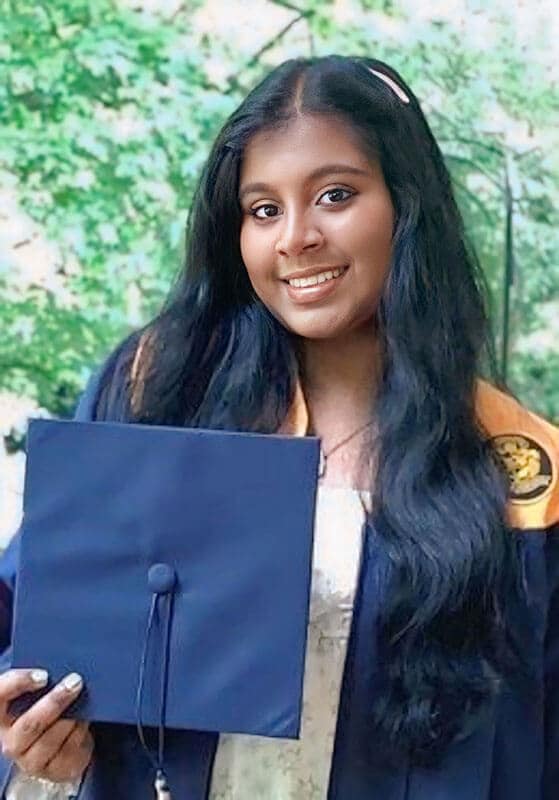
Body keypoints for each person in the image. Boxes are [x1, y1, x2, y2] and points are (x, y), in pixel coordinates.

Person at [0, 54, 557, 800]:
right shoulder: (157, 394)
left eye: (334, 194)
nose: (295, 237)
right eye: (262, 209)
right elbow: (38, 642)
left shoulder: (521, 474)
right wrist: (44, 754)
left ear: (407, 203)